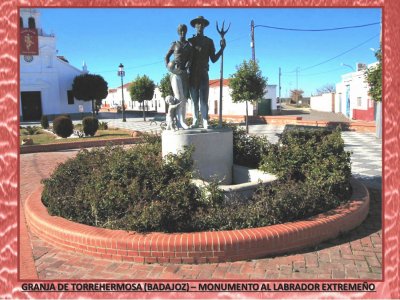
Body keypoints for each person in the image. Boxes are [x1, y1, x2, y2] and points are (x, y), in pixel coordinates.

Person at [188, 16, 226, 129]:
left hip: (204, 73)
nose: (200, 26)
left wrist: (222, 49)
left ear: (204, 26)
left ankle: (205, 120)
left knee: (204, 99)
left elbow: (213, 59)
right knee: (194, 100)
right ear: (195, 26)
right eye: (198, 24)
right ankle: (195, 121)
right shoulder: (190, 41)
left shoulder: (209, 41)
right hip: (192, 73)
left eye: (202, 24)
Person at [165, 24, 192, 129]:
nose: (182, 33)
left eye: (184, 31)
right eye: (180, 31)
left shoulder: (189, 45)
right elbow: (166, 56)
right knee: (178, 97)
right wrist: (169, 68)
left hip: (184, 73)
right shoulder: (174, 44)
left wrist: (189, 63)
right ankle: (180, 122)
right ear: (178, 32)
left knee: (184, 98)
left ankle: (183, 121)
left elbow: (191, 58)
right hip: (175, 73)